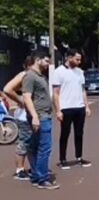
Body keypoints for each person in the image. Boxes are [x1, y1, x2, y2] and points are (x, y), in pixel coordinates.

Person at [22, 51, 60, 190]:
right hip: (40, 116)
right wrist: (35, 117)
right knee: (45, 148)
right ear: (38, 60)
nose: (48, 64)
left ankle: (37, 176)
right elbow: (26, 97)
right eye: (46, 61)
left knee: (35, 146)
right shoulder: (30, 76)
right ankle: (42, 179)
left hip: (44, 115)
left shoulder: (40, 76)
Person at [52, 49, 92, 170]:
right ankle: (62, 159)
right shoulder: (59, 72)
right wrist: (58, 110)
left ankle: (79, 157)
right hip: (66, 108)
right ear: (69, 58)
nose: (79, 62)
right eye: (77, 59)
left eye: (80, 59)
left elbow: (83, 90)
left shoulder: (80, 72)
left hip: (79, 107)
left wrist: (87, 106)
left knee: (79, 133)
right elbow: (55, 93)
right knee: (65, 133)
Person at [3, 56, 34, 181]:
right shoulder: (24, 75)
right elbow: (8, 89)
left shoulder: (33, 76)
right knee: (24, 142)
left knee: (33, 142)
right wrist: (20, 100)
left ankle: (33, 167)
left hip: (32, 114)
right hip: (23, 115)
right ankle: (20, 170)